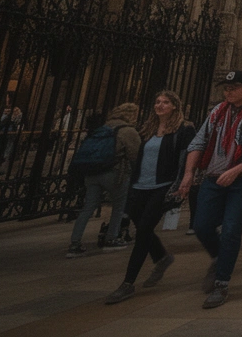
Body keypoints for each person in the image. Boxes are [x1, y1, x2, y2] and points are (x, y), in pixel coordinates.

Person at [176, 70, 242, 309]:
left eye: (234, 87)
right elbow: (199, 142)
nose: (229, 92)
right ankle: (220, 257)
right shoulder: (217, 112)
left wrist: (239, 169)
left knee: (232, 228)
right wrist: (189, 173)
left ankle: (222, 283)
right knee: (201, 225)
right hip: (213, 176)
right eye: (226, 88)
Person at [103, 92, 195, 304]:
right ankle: (162, 257)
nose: (159, 105)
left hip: (162, 187)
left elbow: (185, 158)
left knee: (143, 231)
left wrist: (183, 182)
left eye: (165, 102)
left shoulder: (184, 129)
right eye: (157, 102)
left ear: (175, 106)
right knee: (141, 226)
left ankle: (127, 283)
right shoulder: (147, 129)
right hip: (139, 186)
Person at [68, 103, 140, 257]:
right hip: (114, 173)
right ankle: (112, 238)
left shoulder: (103, 128)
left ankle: (74, 243)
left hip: (92, 172)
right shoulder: (128, 131)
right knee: (118, 206)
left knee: (88, 207)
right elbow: (136, 156)